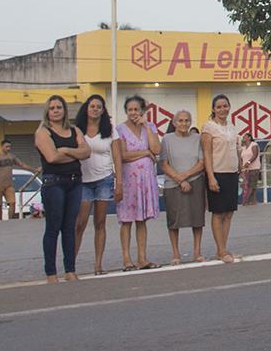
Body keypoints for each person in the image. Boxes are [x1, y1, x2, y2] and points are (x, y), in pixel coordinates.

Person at [34, 95, 89, 281]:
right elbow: (51, 158)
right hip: (54, 183)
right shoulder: (43, 132)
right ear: (47, 111)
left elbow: (87, 151)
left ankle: (70, 270)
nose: (56, 110)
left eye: (59, 107)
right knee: (53, 227)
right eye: (52, 108)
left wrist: (65, 151)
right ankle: (51, 272)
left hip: (74, 182)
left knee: (69, 227)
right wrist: (76, 154)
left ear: (65, 110)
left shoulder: (74, 130)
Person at [112, 95, 161, 270]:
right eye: (130, 109)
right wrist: (146, 153)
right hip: (129, 180)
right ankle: (127, 259)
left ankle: (142, 258)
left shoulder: (150, 127)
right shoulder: (120, 130)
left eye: (136, 109)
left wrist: (146, 127)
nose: (133, 113)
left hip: (146, 181)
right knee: (126, 220)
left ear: (143, 111)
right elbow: (123, 155)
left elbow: (157, 149)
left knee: (142, 220)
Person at [74, 95, 116, 275]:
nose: (95, 109)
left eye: (99, 107)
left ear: (103, 110)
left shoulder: (110, 130)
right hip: (83, 181)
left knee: (100, 222)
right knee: (79, 224)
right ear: (86, 108)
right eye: (92, 106)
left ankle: (98, 265)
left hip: (104, 179)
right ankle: (71, 264)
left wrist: (119, 181)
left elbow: (117, 157)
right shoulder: (77, 130)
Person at [159, 109, 207, 264]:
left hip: (195, 180)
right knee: (174, 220)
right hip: (173, 183)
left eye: (187, 120)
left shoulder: (197, 138)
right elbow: (164, 164)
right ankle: (175, 254)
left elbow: (201, 162)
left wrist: (185, 177)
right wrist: (179, 180)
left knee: (197, 218)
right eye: (180, 120)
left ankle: (197, 252)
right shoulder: (166, 139)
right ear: (174, 123)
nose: (183, 123)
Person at [201, 94, 241, 263]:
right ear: (213, 109)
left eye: (225, 106)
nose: (222, 109)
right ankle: (221, 249)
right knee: (218, 212)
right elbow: (207, 154)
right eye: (219, 107)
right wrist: (211, 177)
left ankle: (223, 248)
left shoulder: (232, 128)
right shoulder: (208, 128)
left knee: (229, 212)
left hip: (232, 173)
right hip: (217, 173)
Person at [0, 138, 29, 221]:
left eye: (9, 146)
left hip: (9, 184)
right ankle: (0, 222)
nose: (8, 148)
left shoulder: (12, 156)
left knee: (12, 203)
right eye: (6, 146)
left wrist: (34, 169)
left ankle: (10, 221)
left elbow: (22, 165)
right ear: (2, 146)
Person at [239, 130, 260, 207]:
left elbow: (254, 155)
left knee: (251, 185)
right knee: (248, 185)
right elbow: (240, 158)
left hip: (254, 167)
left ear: (249, 138)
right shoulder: (243, 148)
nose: (243, 138)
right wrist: (242, 168)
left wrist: (248, 162)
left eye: (245, 136)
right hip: (245, 169)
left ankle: (245, 201)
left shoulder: (254, 145)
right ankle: (254, 201)